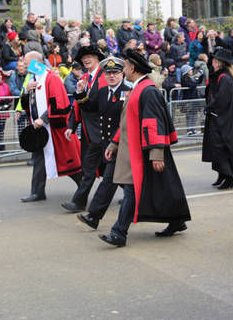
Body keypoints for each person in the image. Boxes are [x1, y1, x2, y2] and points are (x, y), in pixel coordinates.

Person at [100, 49, 191, 247]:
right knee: (161, 188)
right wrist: (114, 143)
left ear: (132, 68)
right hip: (138, 151)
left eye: (124, 66)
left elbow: (153, 123)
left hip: (146, 152)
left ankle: (119, 233)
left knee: (132, 192)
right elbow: (126, 121)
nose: (123, 69)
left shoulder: (147, 90)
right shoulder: (138, 89)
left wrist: (156, 153)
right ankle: (176, 220)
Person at [19, 51, 82, 202]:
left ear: (35, 62)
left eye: (26, 63)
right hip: (41, 129)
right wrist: (27, 92)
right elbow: (29, 104)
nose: (24, 65)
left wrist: (43, 119)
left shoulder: (51, 78)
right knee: (39, 160)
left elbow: (59, 103)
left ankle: (83, 186)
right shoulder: (34, 79)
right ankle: (37, 192)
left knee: (68, 162)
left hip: (55, 129)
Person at [77, 57, 130, 230]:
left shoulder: (127, 92)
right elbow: (89, 108)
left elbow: (125, 122)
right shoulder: (102, 91)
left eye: (115, 73)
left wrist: (113, 143)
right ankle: (171, 215)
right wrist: (81, 93)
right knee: (129, 185)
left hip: (121, 145)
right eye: (108, 73)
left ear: (122, 74)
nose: (112, 76)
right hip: (107, 143)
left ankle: (94, 216)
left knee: (108, 180)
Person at [61, 45, 107, 212]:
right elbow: (77, 107)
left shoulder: (104, 77)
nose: (86, 59)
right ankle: (133, 193)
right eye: (83, 57)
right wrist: (71, 126)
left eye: (90, 56)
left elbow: (96, 105)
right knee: (103, 169)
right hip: (88, 132)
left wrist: (81, 94)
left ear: (97, 58)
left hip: (102, 131)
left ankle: (79, 202)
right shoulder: (85, 77)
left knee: (90, 169)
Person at [202, 48, 233, 190]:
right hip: (218, 118)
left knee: (222, 149)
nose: (212, 63)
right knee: (216, 149)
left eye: (215, 61)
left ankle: (228, 177)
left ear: (219, 63)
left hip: (224, 120)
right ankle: (221, 175)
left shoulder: (225, 78)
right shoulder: (220, 76)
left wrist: (210, 107)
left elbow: (222, 98)